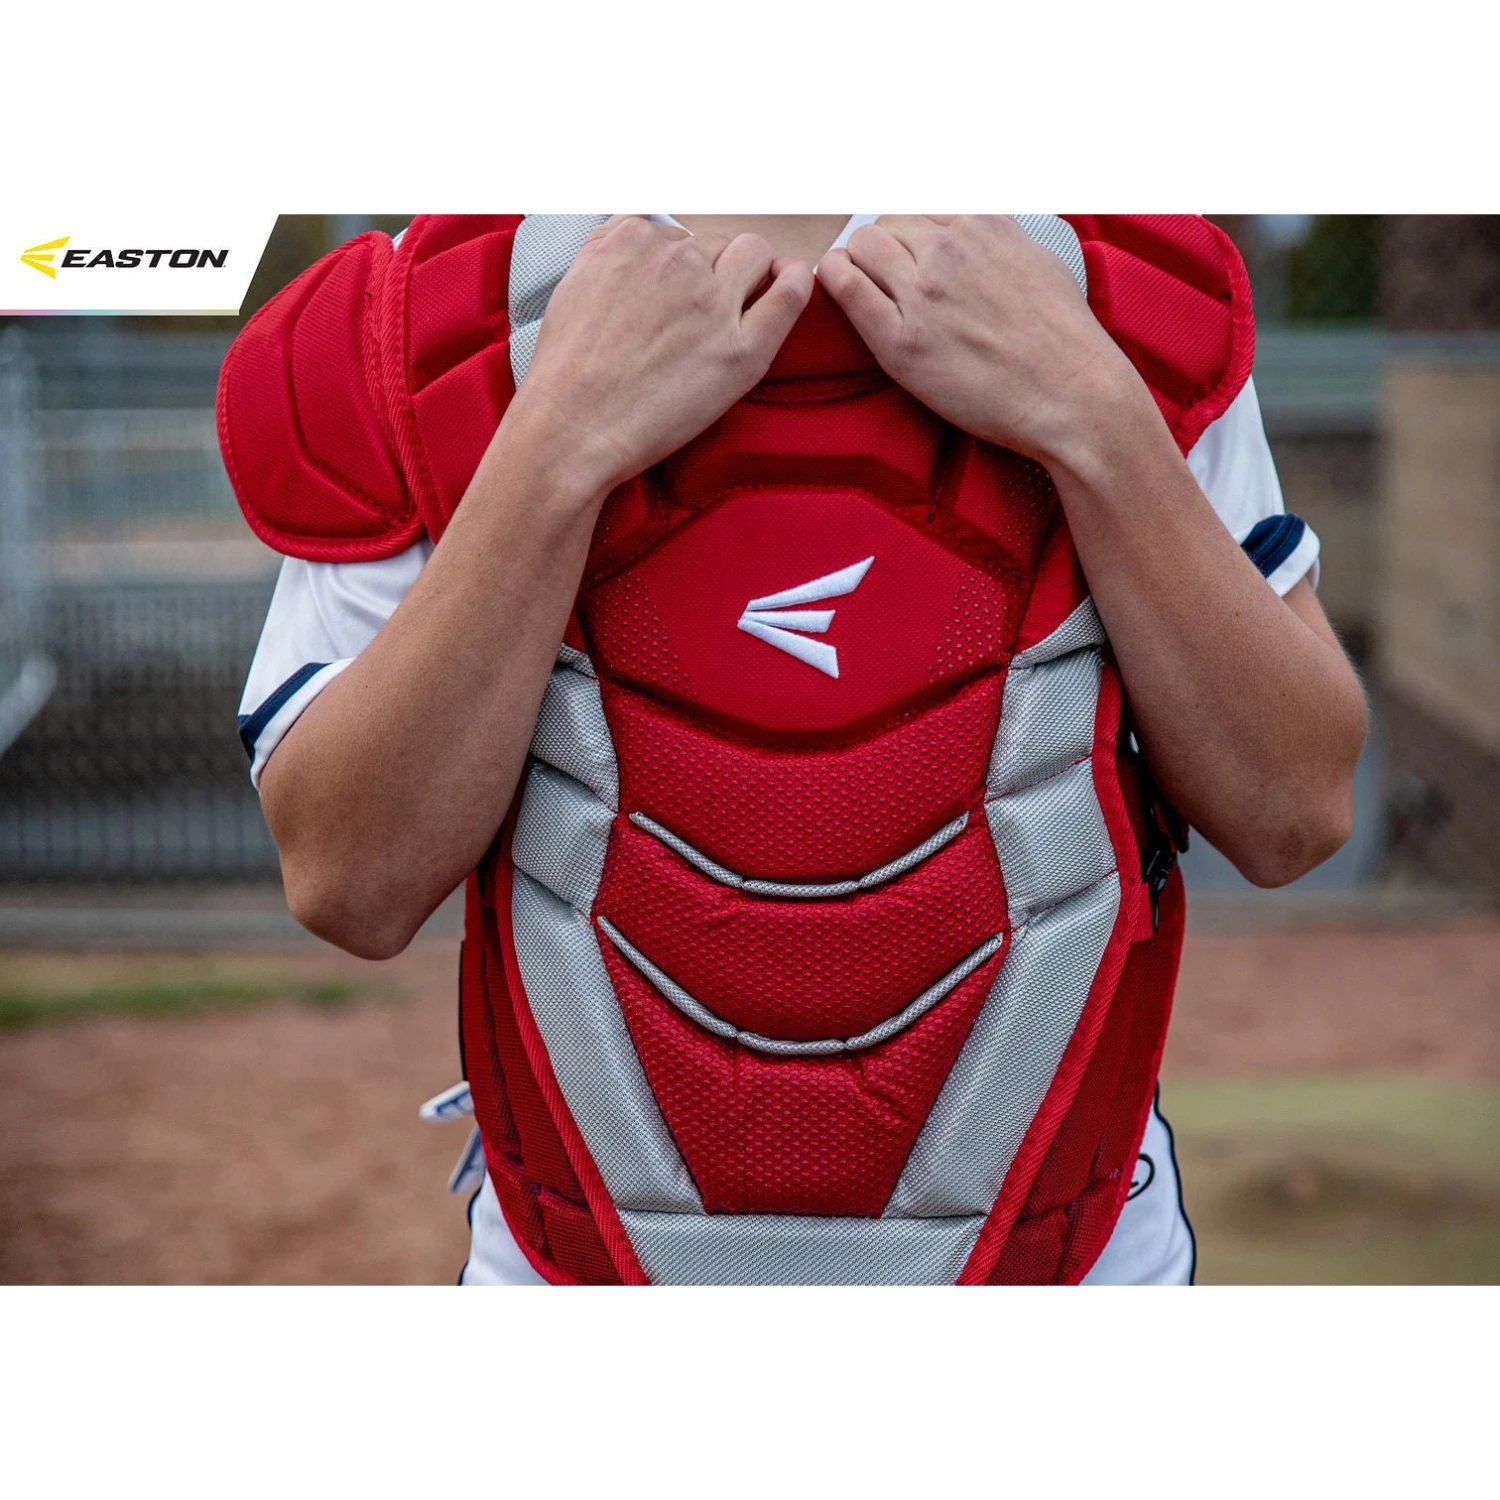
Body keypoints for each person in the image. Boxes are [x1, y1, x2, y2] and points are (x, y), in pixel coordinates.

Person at [234, 215, 1366, 1284]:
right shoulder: (440, 321)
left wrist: (1091, 414)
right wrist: (557, 444)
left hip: (1075, 1265)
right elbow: (350, 880)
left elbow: (1295, 810)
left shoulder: (1103, 286)